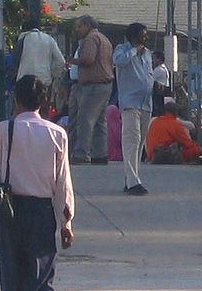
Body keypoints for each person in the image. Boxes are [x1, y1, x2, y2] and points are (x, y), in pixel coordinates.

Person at [0, 75, 74, 291]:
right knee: (42, 278)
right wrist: (66, 222)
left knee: (11, 281)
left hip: (11, 210)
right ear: (45, 102)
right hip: (42, 213)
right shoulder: (57, 134)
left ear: (16, 100)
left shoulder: (5, 129)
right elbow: (62, 183)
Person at [113, 22, 154, 195]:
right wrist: (133, 50)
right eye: (143, 35)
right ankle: (132, 182)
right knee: (132, 139)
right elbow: (118, 62)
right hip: (130, 101)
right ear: (134, 36)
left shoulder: (148, 54)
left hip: (146, 102)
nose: (145, 37)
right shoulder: (122, 49)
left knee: (140, 141)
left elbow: (148, 73)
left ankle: (132, 177)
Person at [69, 15, 113, 165]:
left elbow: (88, 59)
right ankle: (100, 154)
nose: (77, 30)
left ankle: (82, 153)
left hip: (93, 84)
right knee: (100, 121)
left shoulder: (90, 39)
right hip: (105, 84)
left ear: (87, 25)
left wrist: (72, 61)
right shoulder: (104, 39)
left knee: (85, 119)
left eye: (79, 26)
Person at [14, 18, 66, 114]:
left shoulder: (23, 37)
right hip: (44, 80)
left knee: (22, 111)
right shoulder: (49, 39)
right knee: (43, 111)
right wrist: (53, 75)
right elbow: (61, 61)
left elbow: (15, 59)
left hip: (24, 80)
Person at [151, 51, 172, 117]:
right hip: (163, 94)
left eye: (154, 58)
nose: (153, 61)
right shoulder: (164, 69)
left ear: (159, 59)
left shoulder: (159, 70)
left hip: (158, 95)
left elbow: (150, 80)